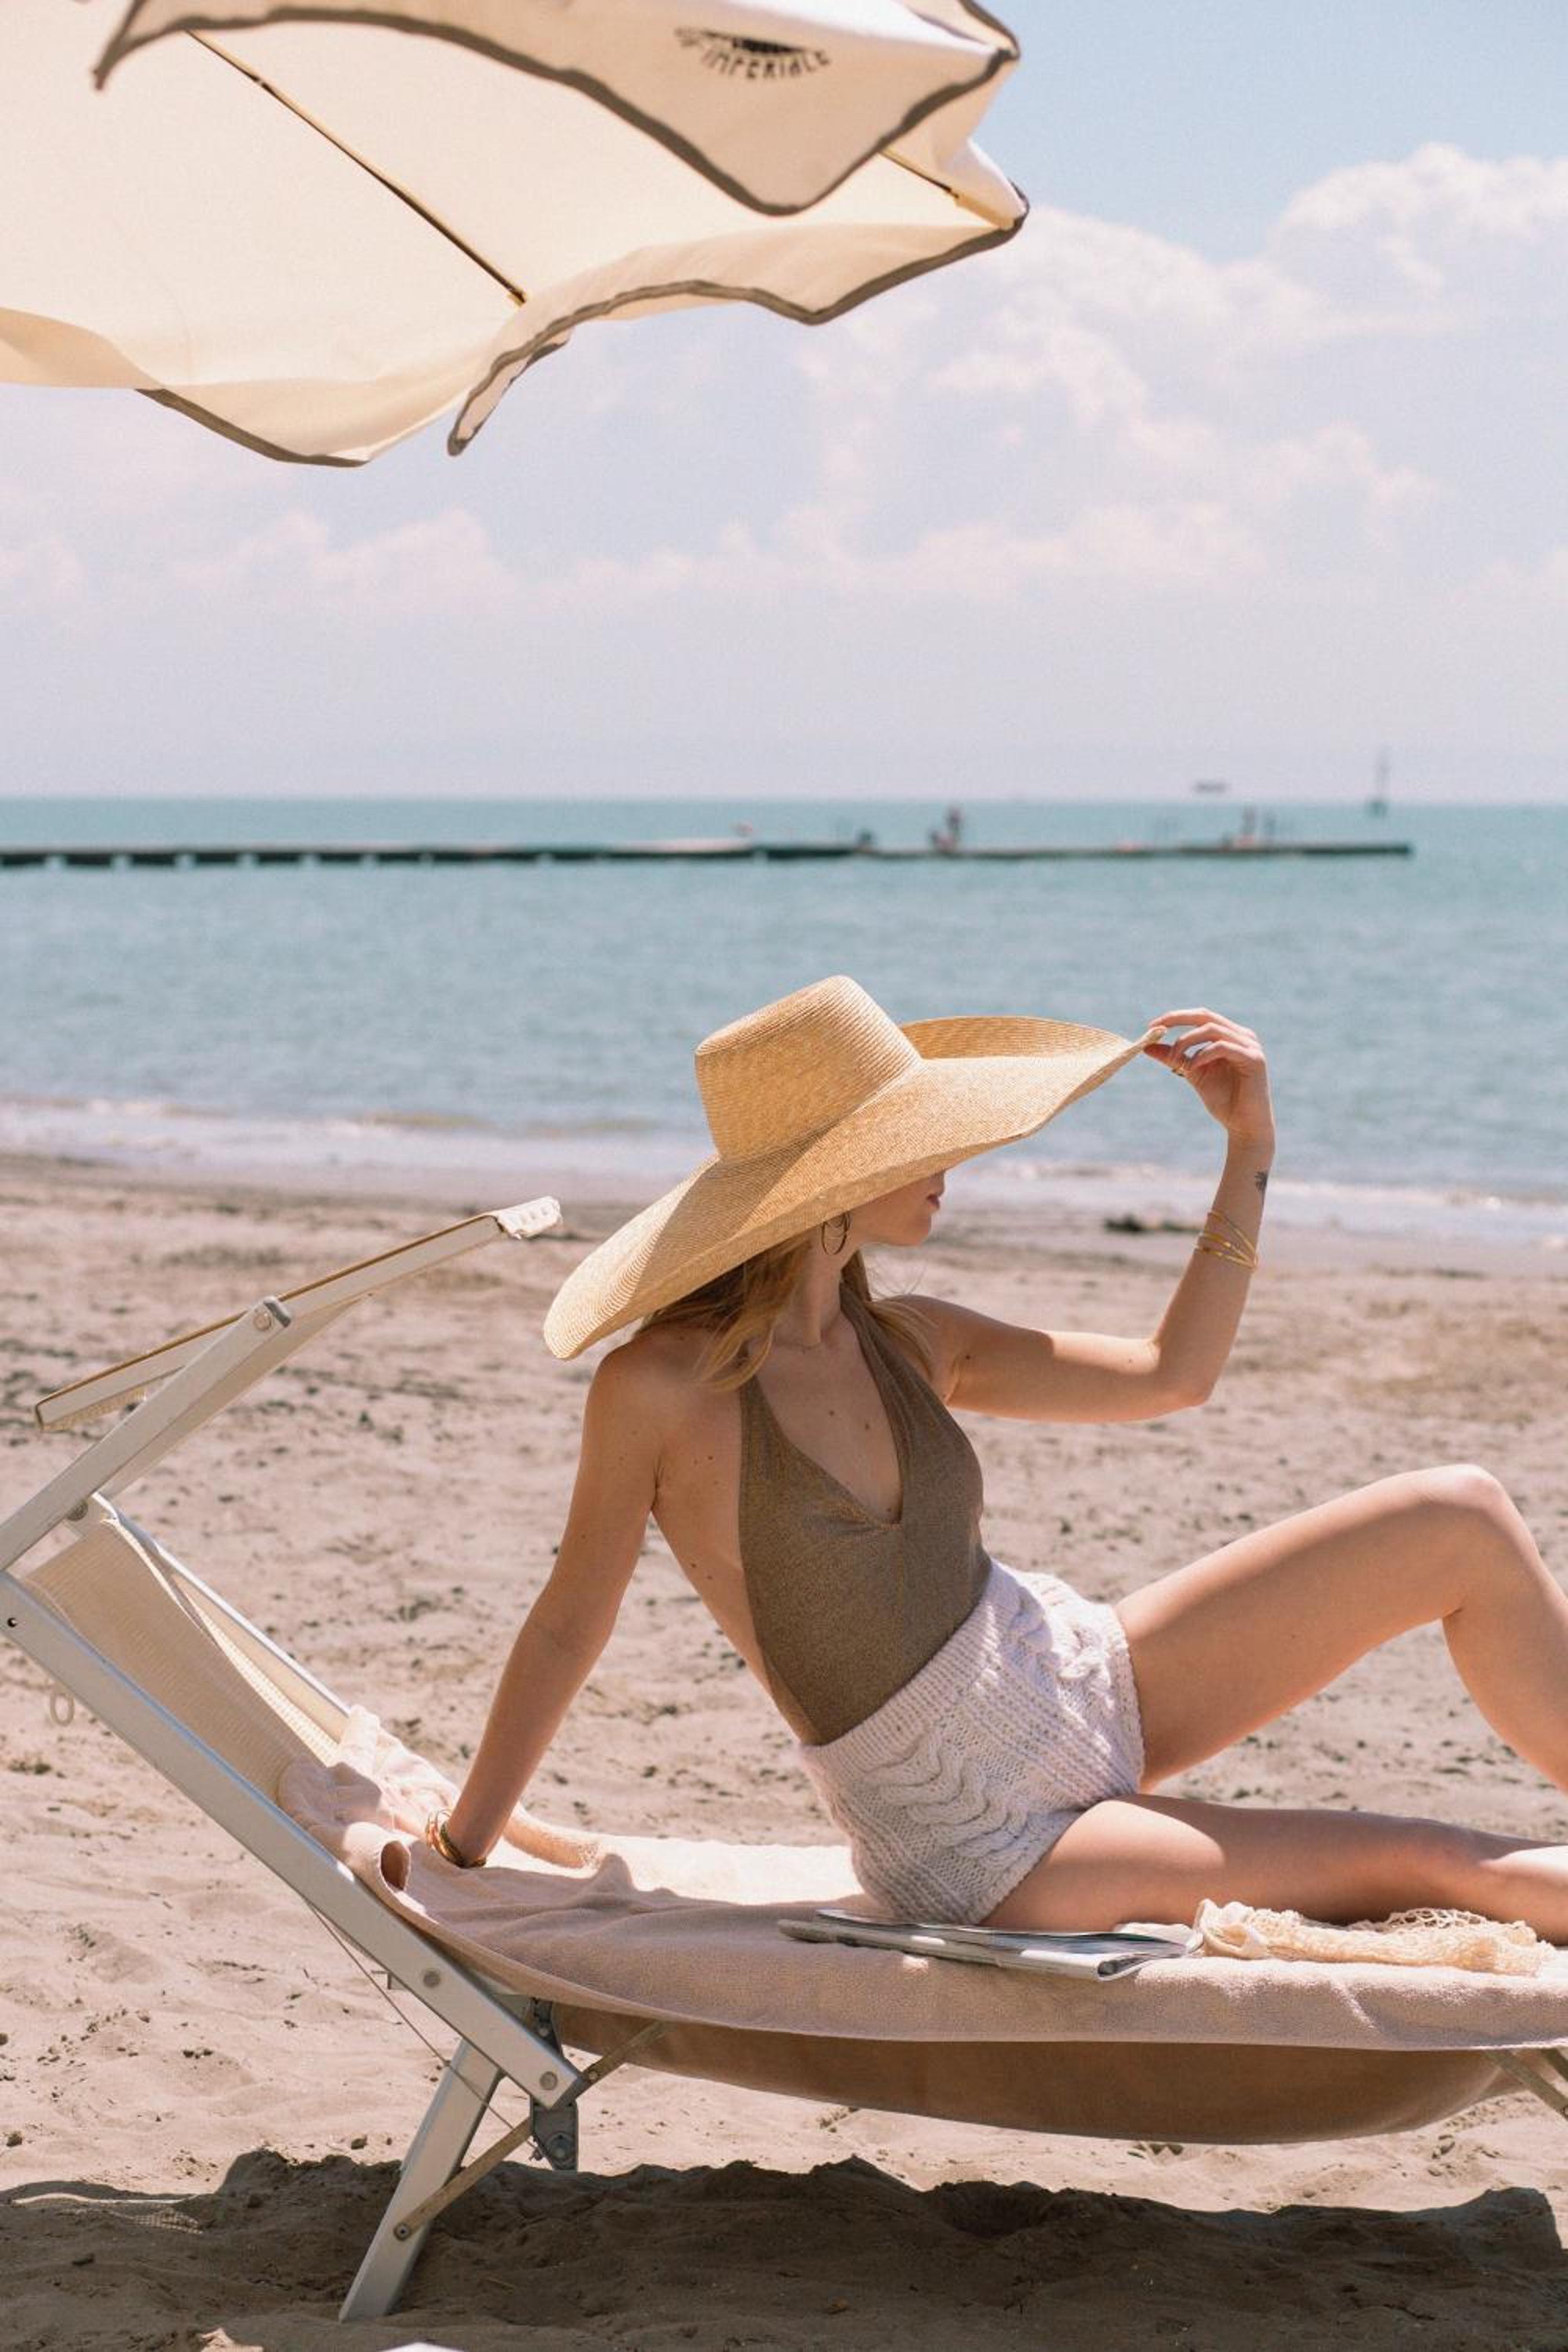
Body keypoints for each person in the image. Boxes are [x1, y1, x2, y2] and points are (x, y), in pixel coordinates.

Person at [428, 976, 1568, 1940]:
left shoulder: (914, 1340)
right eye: (918, 1142)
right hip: (984, 1845)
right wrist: (463, 1850)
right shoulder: (661, 1389)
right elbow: (571, 1621)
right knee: (1445, 1863)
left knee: (1458, 1515)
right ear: (835, 1174)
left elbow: (1172, 1374)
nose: (954, 1160)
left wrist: (1249, 1149)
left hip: (1079, 1680)